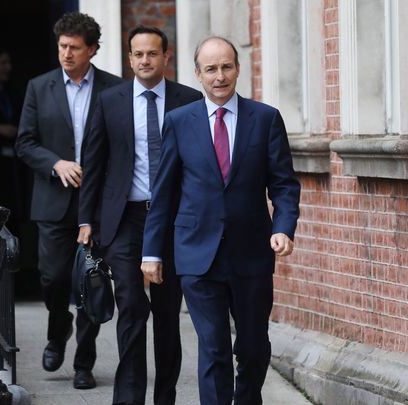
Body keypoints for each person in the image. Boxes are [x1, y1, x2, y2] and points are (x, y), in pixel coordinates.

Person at [141, 36, 301, 405]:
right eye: (211, 69)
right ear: (198, 74)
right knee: (213, 348)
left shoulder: (265, 119)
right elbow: (163, 193)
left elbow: (284, 184)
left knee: (253, 347)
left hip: (251, 254)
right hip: (198, 254)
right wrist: (152, 251)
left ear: (238, 69)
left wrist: (283, 228)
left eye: (226, 66)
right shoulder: (179, 122)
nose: (220, 76)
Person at [78, 25, 202, 405]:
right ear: (129, 58)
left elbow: (199, 165)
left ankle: (165, 397)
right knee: (131, 306)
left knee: (167, 315)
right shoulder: (110, 100)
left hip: (173, 220)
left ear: (166, 57)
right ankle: (128, 399)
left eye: (152, 54)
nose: (144, 60)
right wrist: (86, 220)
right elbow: (93, 162)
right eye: (137, 54)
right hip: (125, 219)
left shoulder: (189, 100)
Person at [15, 12, 122, 390]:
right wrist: (55, 163)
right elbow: (24, 143)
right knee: (54, 277)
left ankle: (83, 363)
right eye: (62, 46)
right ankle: (58, 327)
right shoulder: (38, 87)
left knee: (91, 283)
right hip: (53, 202)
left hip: (99, 204)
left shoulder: (114, 89)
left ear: (92, 49)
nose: (66, 53)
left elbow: (123, 147)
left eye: (75, 48)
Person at [0, 48, 27, 235]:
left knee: (15, 207)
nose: (7, 68)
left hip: (14, 161)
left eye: (9, 63)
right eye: (3, 63)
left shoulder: (14, 95)